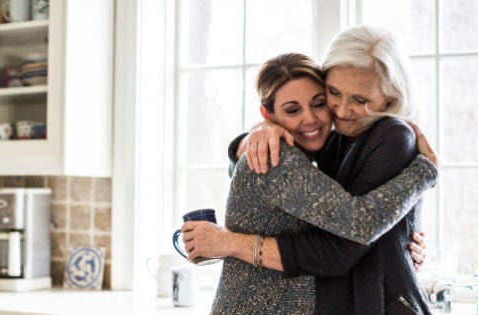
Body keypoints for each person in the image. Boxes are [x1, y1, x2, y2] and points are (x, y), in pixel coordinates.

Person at [183, 26, 435, 314]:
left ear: (389, 99)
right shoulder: (327, 142)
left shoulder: (383, 136)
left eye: (360, 100)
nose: (340, 110)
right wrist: (251, 138)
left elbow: (345, 239)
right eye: (334, 93)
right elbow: (338, 226)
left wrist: (398, 241)